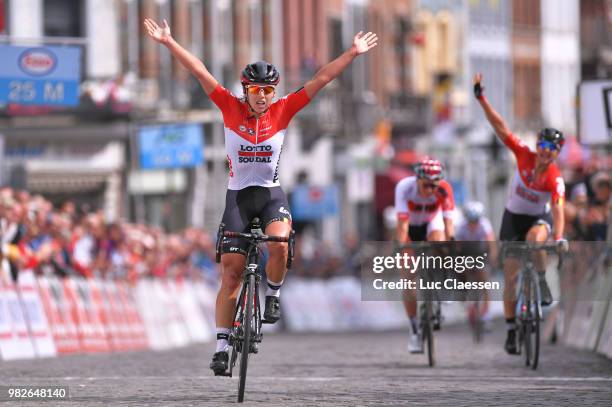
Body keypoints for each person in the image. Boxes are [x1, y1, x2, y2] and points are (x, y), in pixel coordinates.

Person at [144, 18, 378, 375]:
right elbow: (199, 70)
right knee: (232, 274)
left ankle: (274, 294)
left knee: (280, 244)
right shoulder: (228, 106)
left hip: (270, 194)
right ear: (245, 90)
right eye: (257, 91)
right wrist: (169, 42)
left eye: (269, 91)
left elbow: (321, 79)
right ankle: (222, 346)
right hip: (238, 196)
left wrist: (352, 53)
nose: (264, 97)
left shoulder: (283, 110)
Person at [473, 73, 568, 355]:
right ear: (537, 145)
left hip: (539, 218)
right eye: (543, 145)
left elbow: (560, 209)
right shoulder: (524, 155)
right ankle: (512, 329)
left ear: (557, 154)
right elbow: (501, 128)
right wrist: (481, 99)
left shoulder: (555, 177)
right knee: (511, 277)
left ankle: (540, 278)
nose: (546, 152)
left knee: (537, 238)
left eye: (553, 149)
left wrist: (560, 236)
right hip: (513, 217)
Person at [394, 157, 455, 353]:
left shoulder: (444, 189)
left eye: (433, 185)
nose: (430, 189)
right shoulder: (404, 188)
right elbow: (402, 225)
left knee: (440, 242)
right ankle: (414, 329)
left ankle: (443, 283)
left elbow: (448, 224)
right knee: (408, 279)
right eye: (426, 185)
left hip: (431, 223)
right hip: (411, 227)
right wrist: (401, 247)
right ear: (417, 179)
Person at [456, 201, 497, 328]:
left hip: (480, 252)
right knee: (463, 272)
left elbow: (491, 243)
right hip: (466, 252)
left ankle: (487, 314)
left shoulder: (485, 224)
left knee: (484, 282)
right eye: (471, 221)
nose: (473, 224)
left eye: (476, 221)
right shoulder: (461, 226)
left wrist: (493, 258)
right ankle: (466, 298)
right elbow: (457, 247)